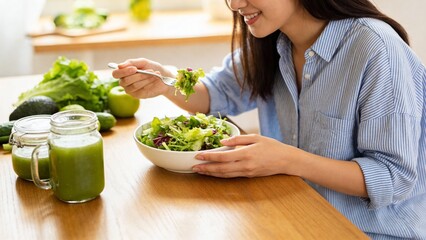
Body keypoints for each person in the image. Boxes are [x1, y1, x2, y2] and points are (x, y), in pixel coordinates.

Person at [112, 0, 426, 238]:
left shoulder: (376, 48)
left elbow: (394, 177)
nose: (235, 5)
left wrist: (287, 160)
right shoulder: (274, 41)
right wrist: (164, 80)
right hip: (298, 216)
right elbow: (215, 93)